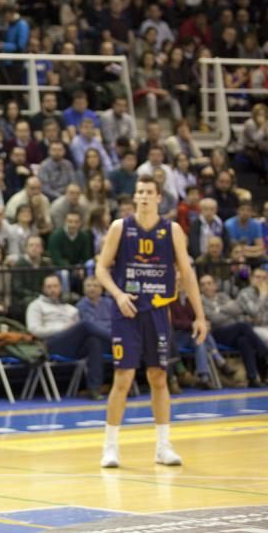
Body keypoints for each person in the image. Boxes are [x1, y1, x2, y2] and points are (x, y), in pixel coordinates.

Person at [95, 175, 207, 468]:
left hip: (158, 311)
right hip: (127, 311)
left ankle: (163, 446)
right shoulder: (120, 228)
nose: (143, 196)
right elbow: (101, 269)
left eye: (149, 192)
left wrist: (200, 316)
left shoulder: (171, 231)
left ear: (159, 197)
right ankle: (110, 447)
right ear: (135, 197)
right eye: (139, 192)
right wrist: (118, 295)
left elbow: (188, 274)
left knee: (159, 377)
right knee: (123, 378)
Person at [26, 275, 108, 400]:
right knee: (85, 324)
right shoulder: (36, 306)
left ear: (60, 288)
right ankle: (114, 339)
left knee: (94, 341)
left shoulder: (70, 308)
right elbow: (34, 330)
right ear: (43, 289)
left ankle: (94, 389)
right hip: (50, 344)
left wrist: (72, 328)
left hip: (72, 345)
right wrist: (63, 328)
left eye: (55, 286)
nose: (52, 289)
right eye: (49, 287)